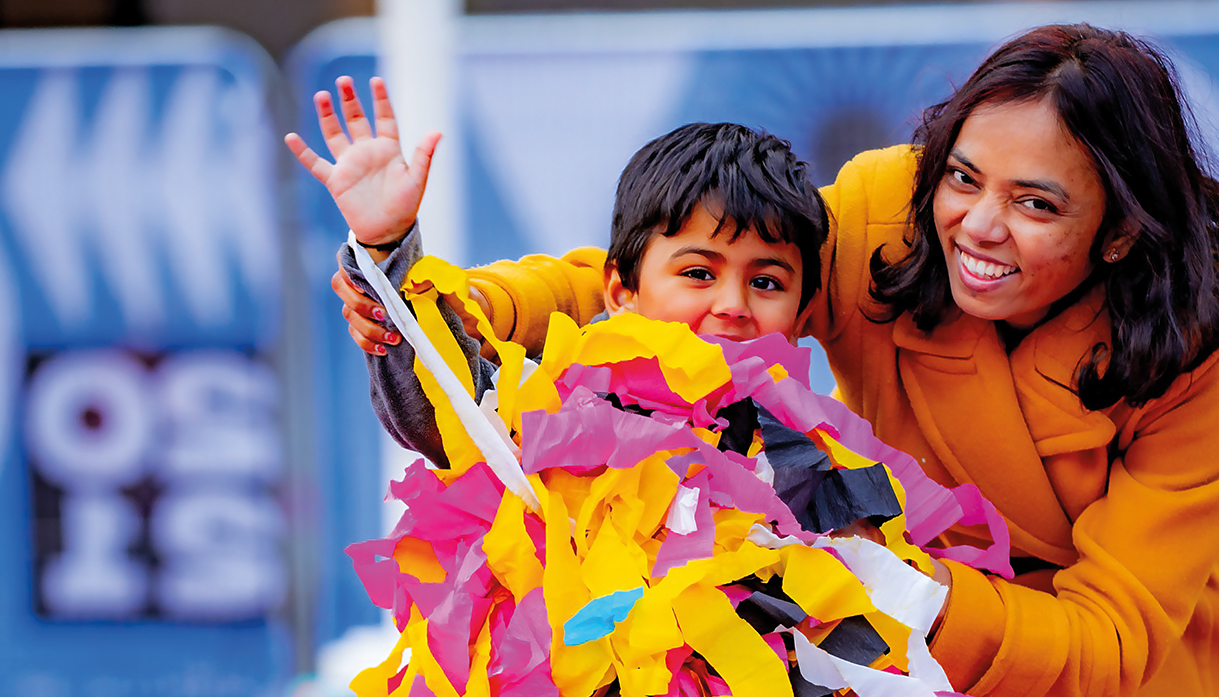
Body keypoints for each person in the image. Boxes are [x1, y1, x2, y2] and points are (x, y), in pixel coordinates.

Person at [326, 24, 1219, 697]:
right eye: (962, 175)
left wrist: (887, 585)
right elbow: (678, 277)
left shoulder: (1205, 333)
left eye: (1035, 203)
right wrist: (438, 299)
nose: (975, 224)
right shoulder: (889, 212)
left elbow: (1107, 647)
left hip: (1128, 663)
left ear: (1120, 231)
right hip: (908, 615)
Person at [287, 78, 827, 468]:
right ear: (621, 291)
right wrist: (388, 248)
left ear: (802, 315)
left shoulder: (821, 456)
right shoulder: (568, 401)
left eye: (765, 283)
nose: (732, 304)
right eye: (698, 274)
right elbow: (446, 419)